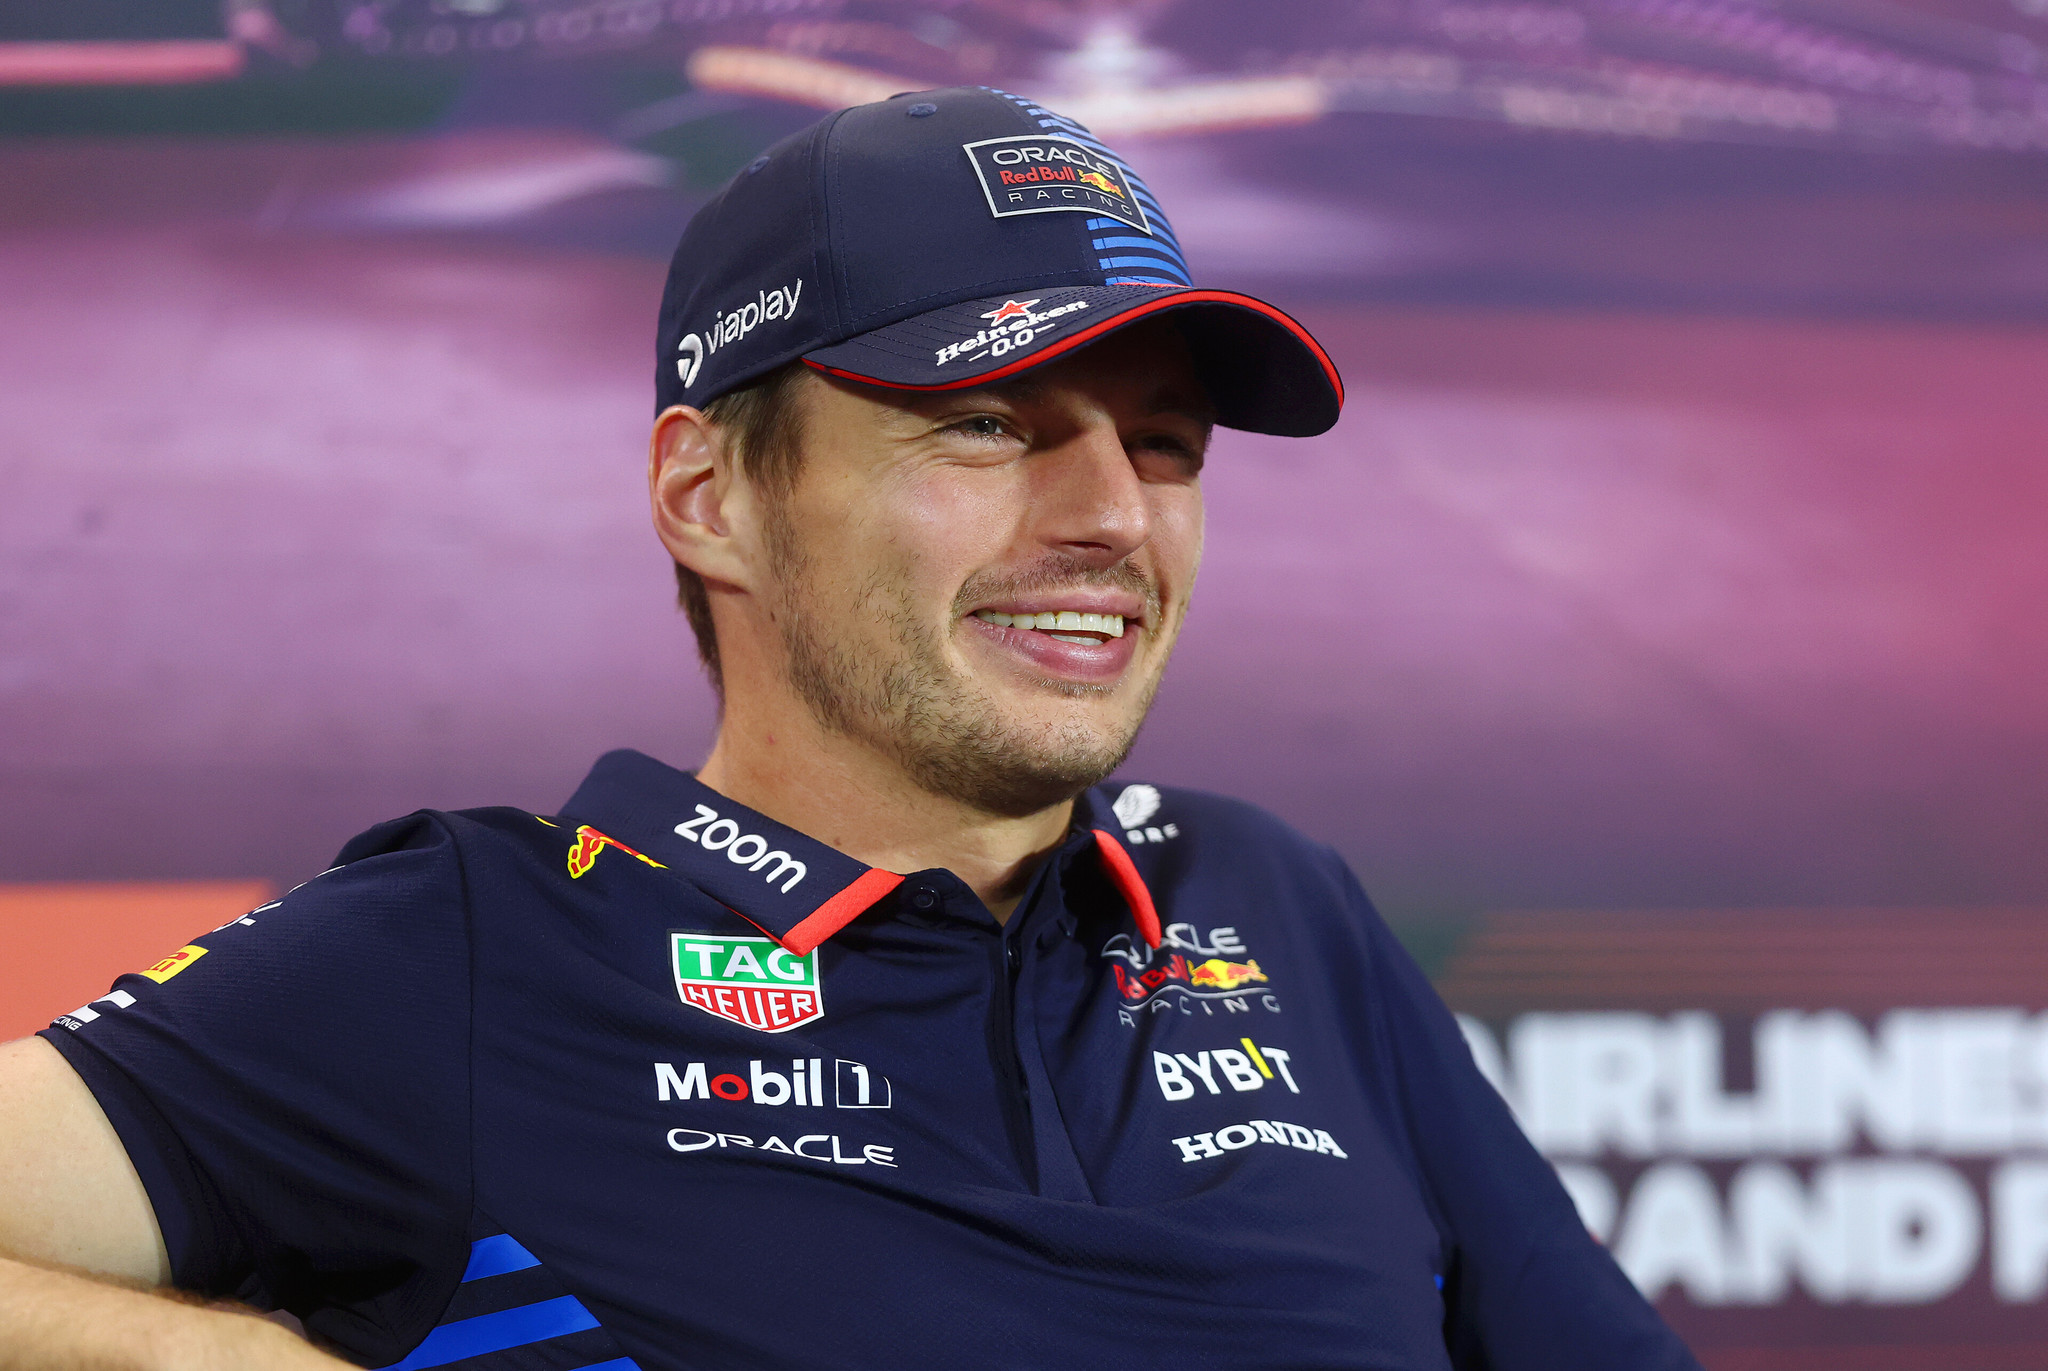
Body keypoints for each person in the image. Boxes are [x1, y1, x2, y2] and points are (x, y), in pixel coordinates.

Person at [0, 86, 1700, 1370]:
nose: (1115, 511)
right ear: (711, 496)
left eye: (1166, 441)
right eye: (984, 424)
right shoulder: (482, 946)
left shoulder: (1270, 900)